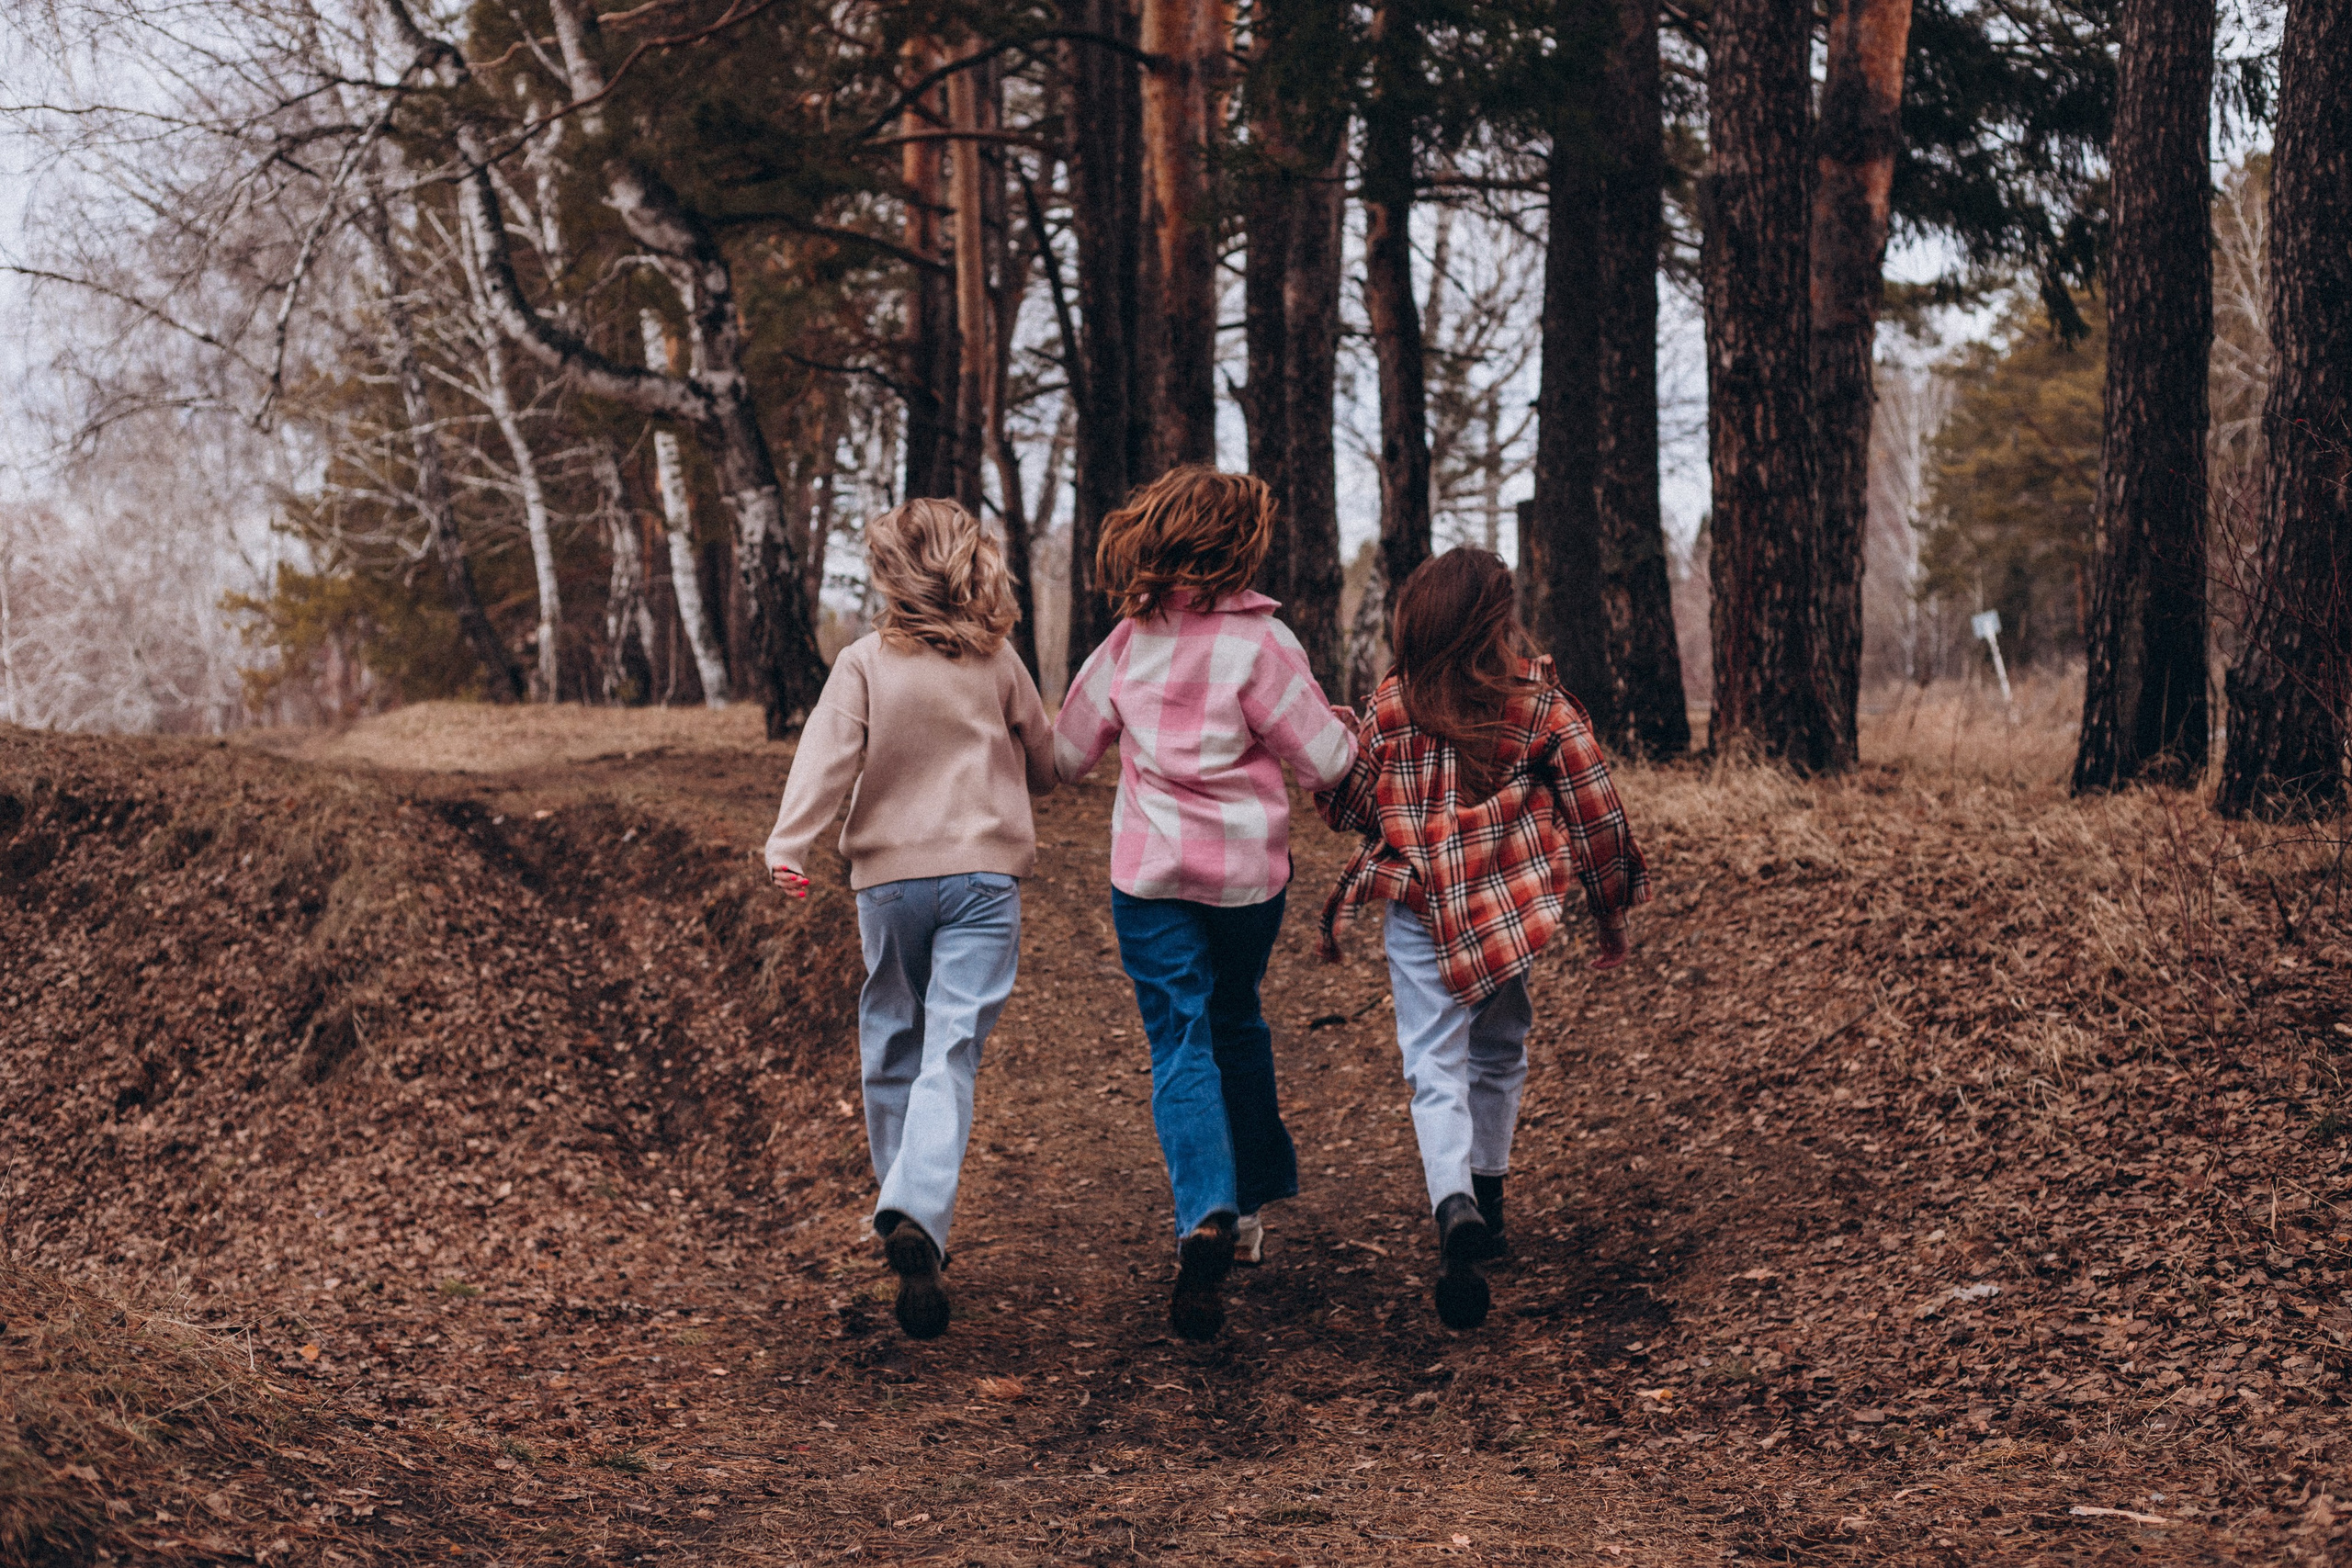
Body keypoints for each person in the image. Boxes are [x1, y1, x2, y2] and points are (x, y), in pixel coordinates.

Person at [1053, 466, 1359, 1340]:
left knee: (1179, 1034)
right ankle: (1251, 1202)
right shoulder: (1265, 647)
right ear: (1242, 548)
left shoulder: (1127, 643)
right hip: (1245, 881)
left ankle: (1206, 1213)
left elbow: (1067, 754)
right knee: (1235, 1015)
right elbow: (1330, 762)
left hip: (1149, 880)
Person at [1316, 547, 1651, 1330]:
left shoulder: (1393, 703)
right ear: (1498, 621)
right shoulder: (1540, 705)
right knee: (1499, 1046)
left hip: (1417, 903)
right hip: (1505, 908)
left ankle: (1452, 1202)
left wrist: (1335, 761)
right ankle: (1488, 1196)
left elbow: (1363, 805)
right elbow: (1595, 808)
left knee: (1432, 1059)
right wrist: (1610, 907)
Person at [764, 498, 1056, 1339]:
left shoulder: (862, 662)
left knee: (892, 1035)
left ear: (888, 572)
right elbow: (1044, 762)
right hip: (984, 882)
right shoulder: (998, 660)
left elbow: (826, 756)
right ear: (973, 562)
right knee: (952, 1045)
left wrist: (792, 843)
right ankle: (918, 1211)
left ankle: (905, 1204)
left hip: (889, 884)